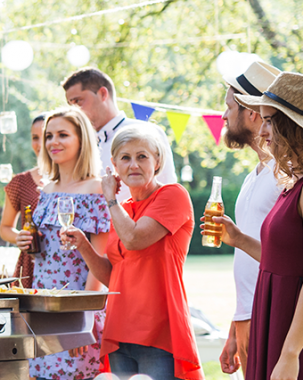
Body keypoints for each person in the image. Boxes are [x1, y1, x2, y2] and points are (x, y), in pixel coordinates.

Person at [213, 72, 303, 380]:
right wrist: (238, 238)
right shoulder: (295, 183)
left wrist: (291, 352)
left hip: (302, 328)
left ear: (292, 126)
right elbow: (283, 261)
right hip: (277, 315)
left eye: (269, 121)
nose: (263, 131)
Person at [61, 123, 203, 380]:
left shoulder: (172, 195)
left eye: (142, 157)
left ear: (156, 161)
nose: (133, 165)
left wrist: (110, 200)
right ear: (115, 165)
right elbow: (115, 276)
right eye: (125, 158)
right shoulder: (123, 209)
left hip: (158, 331)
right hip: (119, 331)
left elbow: (135, 239)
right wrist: (83, 244)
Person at [15, 108, 110, 380]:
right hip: (43, 307)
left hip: (77, 310)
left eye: (63, 135)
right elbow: (45, 253)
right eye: (49, 136)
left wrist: (83, 323)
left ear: (82, 140)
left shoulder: (96, 189)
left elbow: (99, 266)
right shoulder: (46, 190)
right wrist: (27, 241)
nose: (53, 142)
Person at [216, 60, 284, 376]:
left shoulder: (287, 176)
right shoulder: (251, 177)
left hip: (276, 315)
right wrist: (235, 327)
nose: (223, 116)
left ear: (251, 113)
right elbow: (247, 264)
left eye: (230, 106)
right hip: (248, 317)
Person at [63, 67, 177, 202]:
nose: (74, 111)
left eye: (78, 101)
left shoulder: (146, 131)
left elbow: (169, 191)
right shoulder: (83, 144)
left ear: (103, 94)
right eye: (70, 104)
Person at [0, 114, 46, 286]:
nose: (39, 144)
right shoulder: (20, 182)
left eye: (46, 136)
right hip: (30, 265)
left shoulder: (74, 182)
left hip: (66, 266)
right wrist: (20, 237)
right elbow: (5, 228)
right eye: (35, 138)